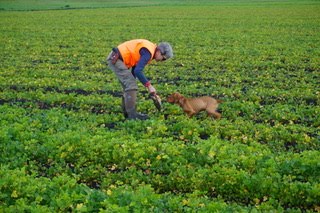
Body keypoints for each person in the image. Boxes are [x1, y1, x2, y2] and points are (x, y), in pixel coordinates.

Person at [106, 39, 173, 120]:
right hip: (116, 59)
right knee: (131, 85)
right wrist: (149, 86)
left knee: (129, 86)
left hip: (117, 57)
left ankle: (127, 114)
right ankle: (132, 115)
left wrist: (133, 80)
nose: (162, 61)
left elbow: (135, 68)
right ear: (159, 51)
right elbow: (138, 71)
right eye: (163, 58)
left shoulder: (149, 50)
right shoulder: (148, 53)